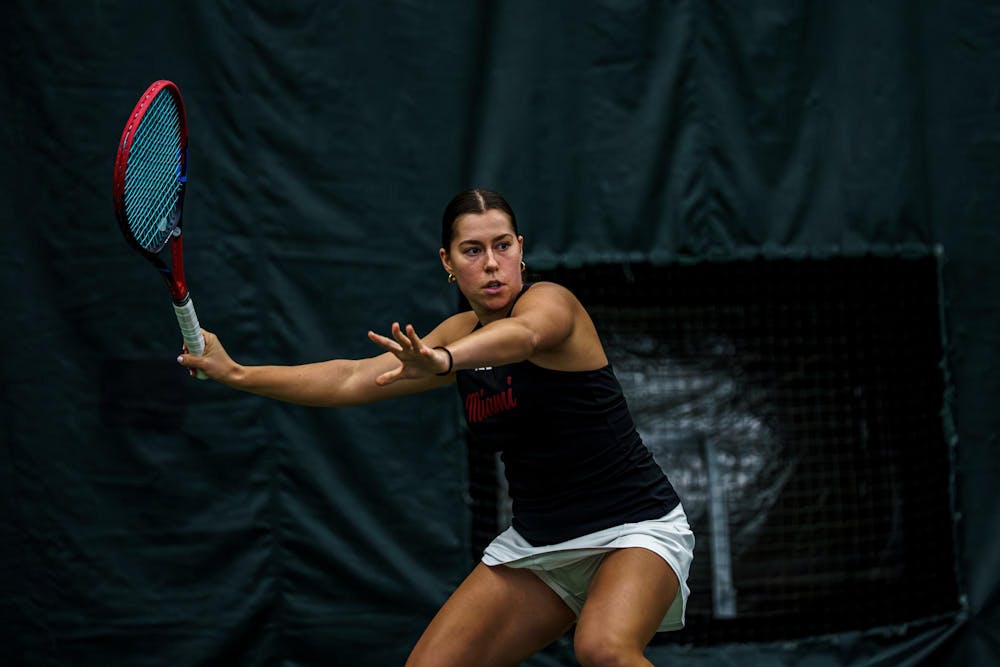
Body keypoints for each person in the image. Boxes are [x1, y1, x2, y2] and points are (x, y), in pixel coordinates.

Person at [178, 188, 694, 667]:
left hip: (635, 527)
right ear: (448, 262)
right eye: (472, 250)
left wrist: (445, 360)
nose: (491, 263)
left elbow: (524, 336)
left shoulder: (551, 303)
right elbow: (350, 378)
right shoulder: (457, 332)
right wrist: (239, 374)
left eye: (503, 245)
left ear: (521, 249)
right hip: (541, 542)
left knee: (603, 648)